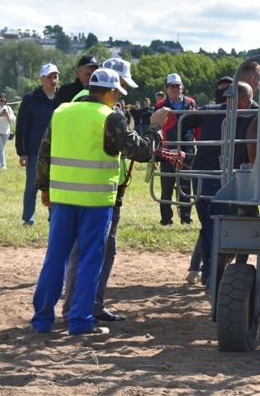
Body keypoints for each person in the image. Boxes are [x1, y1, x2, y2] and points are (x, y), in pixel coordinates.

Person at [31, 68, 168, 335]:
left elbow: (44, 152)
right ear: (112, 92)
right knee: (90, 260)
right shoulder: (111, 118)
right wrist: (154, 129)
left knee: (55, 259)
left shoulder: (61, 112)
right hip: (96, 201)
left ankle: (42, 320)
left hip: (62, 199)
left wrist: (43, 188)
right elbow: (139, 151)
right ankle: (80, 322)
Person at [60, 58, 145, 323]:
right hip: (94, 191)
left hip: (100, 187)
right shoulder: (99, 108)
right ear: (111, 84)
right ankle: (81, 308)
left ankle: (89, 304)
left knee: (99, 250)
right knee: (91, 250)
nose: (121, 94)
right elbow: (136, 148)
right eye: (120, 88)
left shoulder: (87, 102)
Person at [184, 82, 254, 286]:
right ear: (241, 101)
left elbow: (183, 121)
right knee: (219, 228)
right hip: (219, 180)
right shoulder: (249, 117)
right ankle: (214, 275)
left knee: (207, 227)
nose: (251, 105)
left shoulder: (209, 111)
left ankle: (208, 273)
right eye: (249, 101)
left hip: (200, 176)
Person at [15, 62, 61, 225]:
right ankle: (28, 220)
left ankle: (54, 219)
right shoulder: (30, 99)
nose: (53, 80)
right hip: (35, 151)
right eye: (49, 77)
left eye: (55, 77)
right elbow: (21, 126)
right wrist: (22, 152)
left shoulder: (62, 100)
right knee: (32, 188)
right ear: (41, 79)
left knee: (55, 187)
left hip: (58, 152)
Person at [155, 73, 197, 225]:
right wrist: (157, 150)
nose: (175, 89)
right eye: (171, 86)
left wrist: (200, 142)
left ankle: (186, 218)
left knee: (185, 185)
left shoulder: (191, 103)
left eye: (177, 86)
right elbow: (155, 128)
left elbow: (197, 127)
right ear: (166, 89)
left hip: (188, 149)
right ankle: (166, 219)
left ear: (182, 87)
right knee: (167, 186)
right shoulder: (160, 106)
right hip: (168, 151)